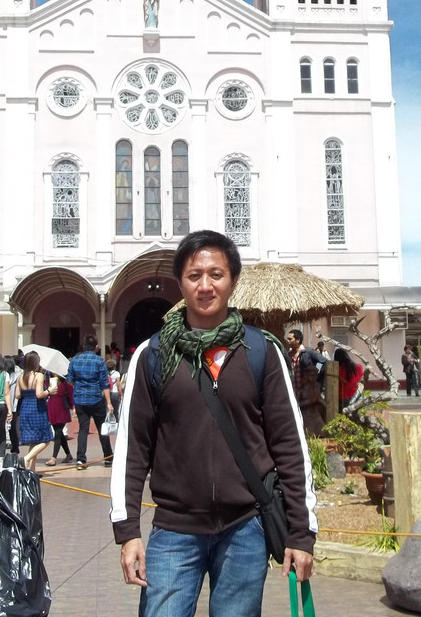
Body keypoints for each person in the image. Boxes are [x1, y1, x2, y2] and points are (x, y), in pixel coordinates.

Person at [111, 230, 317, 616]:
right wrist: (128, 533)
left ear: (233, 281)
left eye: (216, 274)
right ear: (180, 284)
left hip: (245, 530)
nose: (205, 285)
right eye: (194, 275)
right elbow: (132, 449)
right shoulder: (153, 354)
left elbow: (290, 446)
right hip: (173, 530)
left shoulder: (262, 351)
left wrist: (301, 535)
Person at [67, 334, 115, 468]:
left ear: (83, 346)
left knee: (83, 429)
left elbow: (69, 380)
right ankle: (108, 457)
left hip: (80, 399)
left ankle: (81, 459)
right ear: (97, 347)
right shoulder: (100, 361)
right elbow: (105, 384)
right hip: (96, 398)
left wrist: (78, 386)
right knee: (102, 429)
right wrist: (109, 403)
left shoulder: (74, 360)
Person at [17, 352, 53, 469]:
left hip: (25, 407)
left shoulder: (20, 376)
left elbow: (17, 395)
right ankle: (26, 458)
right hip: (37, 409)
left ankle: (31, 470)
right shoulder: (39, 376)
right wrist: (49, 391)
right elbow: (39, 394)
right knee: (46, 438)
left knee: (34, 440)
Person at [45, 371, 74, 466]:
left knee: (57, 433)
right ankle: (68, 454)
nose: (54, 373)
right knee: (59, 433)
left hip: (62, 408)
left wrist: (74, 408)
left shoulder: (65, 383)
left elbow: (71, 395)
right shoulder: (48, 381)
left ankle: (53, 458)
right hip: (51, 407)